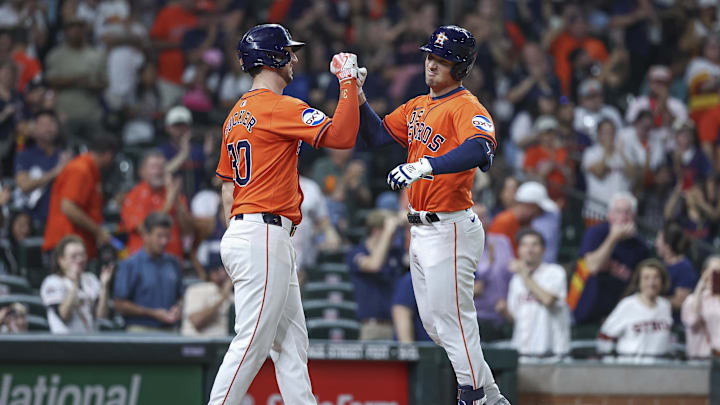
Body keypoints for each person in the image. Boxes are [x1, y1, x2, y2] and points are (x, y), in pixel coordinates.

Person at [356, 25, 510, 405]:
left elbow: (480, 150)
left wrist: (426, 165)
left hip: (451, 226)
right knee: (438, 327)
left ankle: (472, 398)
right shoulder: (418, 105)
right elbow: (377, 137)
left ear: (460, 67)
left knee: (455, 325)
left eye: (442, 60)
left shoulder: (466, 106)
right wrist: (357, 96)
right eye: (430, 56)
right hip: (420, 229)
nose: (431, 64)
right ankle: (492, 398)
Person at [209, 24, 360, 405]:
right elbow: (341, 138)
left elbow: (227, 186)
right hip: (262, 233)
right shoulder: (278, 106)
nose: (294, 58)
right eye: (288, 52)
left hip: (252, 230)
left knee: (291, 343)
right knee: (252, 342)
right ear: (272, 58)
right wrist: (345, 83)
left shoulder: (236, 113)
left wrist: (242, 235)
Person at [569, 192, 649, 324]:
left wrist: (619, 313)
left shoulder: (639, 245)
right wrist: (613, 238)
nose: (623, 217)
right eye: (618, 212)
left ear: (634, 216)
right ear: (609, 215)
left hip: (616, 313)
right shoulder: (595, 233)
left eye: (627, 212)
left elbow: (634, 284)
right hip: (583, 307)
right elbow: (592, 267)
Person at [42, 135, 120, 259]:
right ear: (108, 156)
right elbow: (68, 207)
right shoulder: (80, 170)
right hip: (66, 245)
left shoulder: (89, 170)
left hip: (76, 244)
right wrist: (98, 231)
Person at [498, 229, 570, 358]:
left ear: (543, 249)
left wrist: (525, 276)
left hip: (552, 352)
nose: (529, 249)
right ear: (519, 250)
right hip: (522, 350)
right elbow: (515, 318)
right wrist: (504, 311)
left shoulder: (555, 272)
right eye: (524, 245)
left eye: (534, 245)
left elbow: (548, 300)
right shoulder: (516, 280)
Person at [113, 212, 184, 333]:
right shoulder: (130, 264)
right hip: (139, 330)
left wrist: (179, 308)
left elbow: (181, 296)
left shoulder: (173, 262)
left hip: (170, 329)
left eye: (167, 236)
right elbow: (119, 304)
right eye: (159, 236)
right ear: (146, 235)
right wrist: (152, 313)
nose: (164, 241)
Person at [121, 150, 192, 260]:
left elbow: (187, 230)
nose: (159, 172)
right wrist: (169, 201)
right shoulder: (133, 196)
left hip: (173, 261)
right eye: (154, 167)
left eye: (162, 167)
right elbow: (144, 228)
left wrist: (177, 202)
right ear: (142, 171)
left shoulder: (173, 192)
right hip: (143, 263)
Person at [44, 18, 106, 145]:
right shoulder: (56, 55)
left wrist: (92, 85)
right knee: (67, 151)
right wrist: (76, 79)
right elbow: (50, 81)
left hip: (91, 113)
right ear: (66, 31)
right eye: (72, 27)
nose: (76, 31)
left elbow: (105, 82)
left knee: (97, 151)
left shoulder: (96, 54)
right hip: (66, 113)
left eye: (80, 27)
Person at [597, 259, 673, 361]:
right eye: (646, 278)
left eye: (656, 277)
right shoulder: (627, 305)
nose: (651, 283)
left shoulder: (665, 306)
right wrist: (611, 365)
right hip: (632, 370)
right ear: (639, 281)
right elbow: (605, 336)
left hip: (660, 370)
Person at [347, 209, 405, 340]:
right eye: (392, 233)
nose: (394, 237)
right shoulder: (356, 252)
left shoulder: (395, 253)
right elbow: (374, 265)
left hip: (396, 326)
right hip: (371, 327)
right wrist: (387, 231)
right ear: (376, 231)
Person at [40, 235, 114, 334]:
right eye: (74, 256)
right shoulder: (52, 282)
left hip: (90, 342)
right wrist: (75, 283)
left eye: (82, 255)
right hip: (64, 343)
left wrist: (104, 286)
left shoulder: (90, 279)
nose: (79, 260)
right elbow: (64, 315)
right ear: (61, 260)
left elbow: (101, 315)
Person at [13, 109, 70, 226]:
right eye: (43, 124)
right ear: (34, 129)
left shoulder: (65, 155)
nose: (48, 128)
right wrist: (56, 172)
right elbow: (24, 186)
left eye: (52, 123)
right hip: (34, 219)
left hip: (62, 218)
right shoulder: (25, 156)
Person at [489, 181, 558, 255]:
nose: (539, 215)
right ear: (530, 206)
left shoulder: (526, 222)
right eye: (539, 210)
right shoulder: (503, 221)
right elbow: (495, 257)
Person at [181, 252, 232, 337]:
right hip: (196, 345)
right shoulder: (197, 290)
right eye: (218, 270)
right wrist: (222, 297)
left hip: (223, 345)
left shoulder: (232, 295)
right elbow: (197, 321)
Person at [681, 255, 720, 359]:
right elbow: (692, 321)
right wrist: (700, 285)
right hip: (700, 359)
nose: (717, 277)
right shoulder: (691, 300)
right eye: (714, 272)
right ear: (704, 273)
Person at [655, 222, 698, 313]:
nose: (656, 243)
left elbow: (680, 302)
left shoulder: (685, 268)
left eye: (658, 239)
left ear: (667, 247)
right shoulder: (662, 263)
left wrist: (653, 300)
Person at [392, 271, 432, 343]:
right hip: (421, 347)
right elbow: (401, 312)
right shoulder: (413, 278)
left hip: (443, 348)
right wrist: (408, 349)